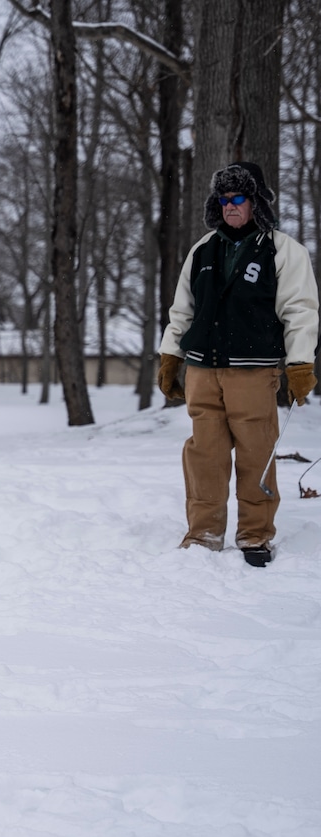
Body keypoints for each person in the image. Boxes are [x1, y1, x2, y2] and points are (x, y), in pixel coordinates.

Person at [158, 161, 320, 567]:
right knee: (204, 454)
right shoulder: (203, 249)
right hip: (202, 370)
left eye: (238, 198)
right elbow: (182, 309)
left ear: (256, 203)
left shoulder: (283, 250)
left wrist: (300, 364)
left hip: (254, 368)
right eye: (224, 199)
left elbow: (300, 311)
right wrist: (170, 355)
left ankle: (255, 535)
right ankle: (204, 533)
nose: (230, 206)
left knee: (255, 452)